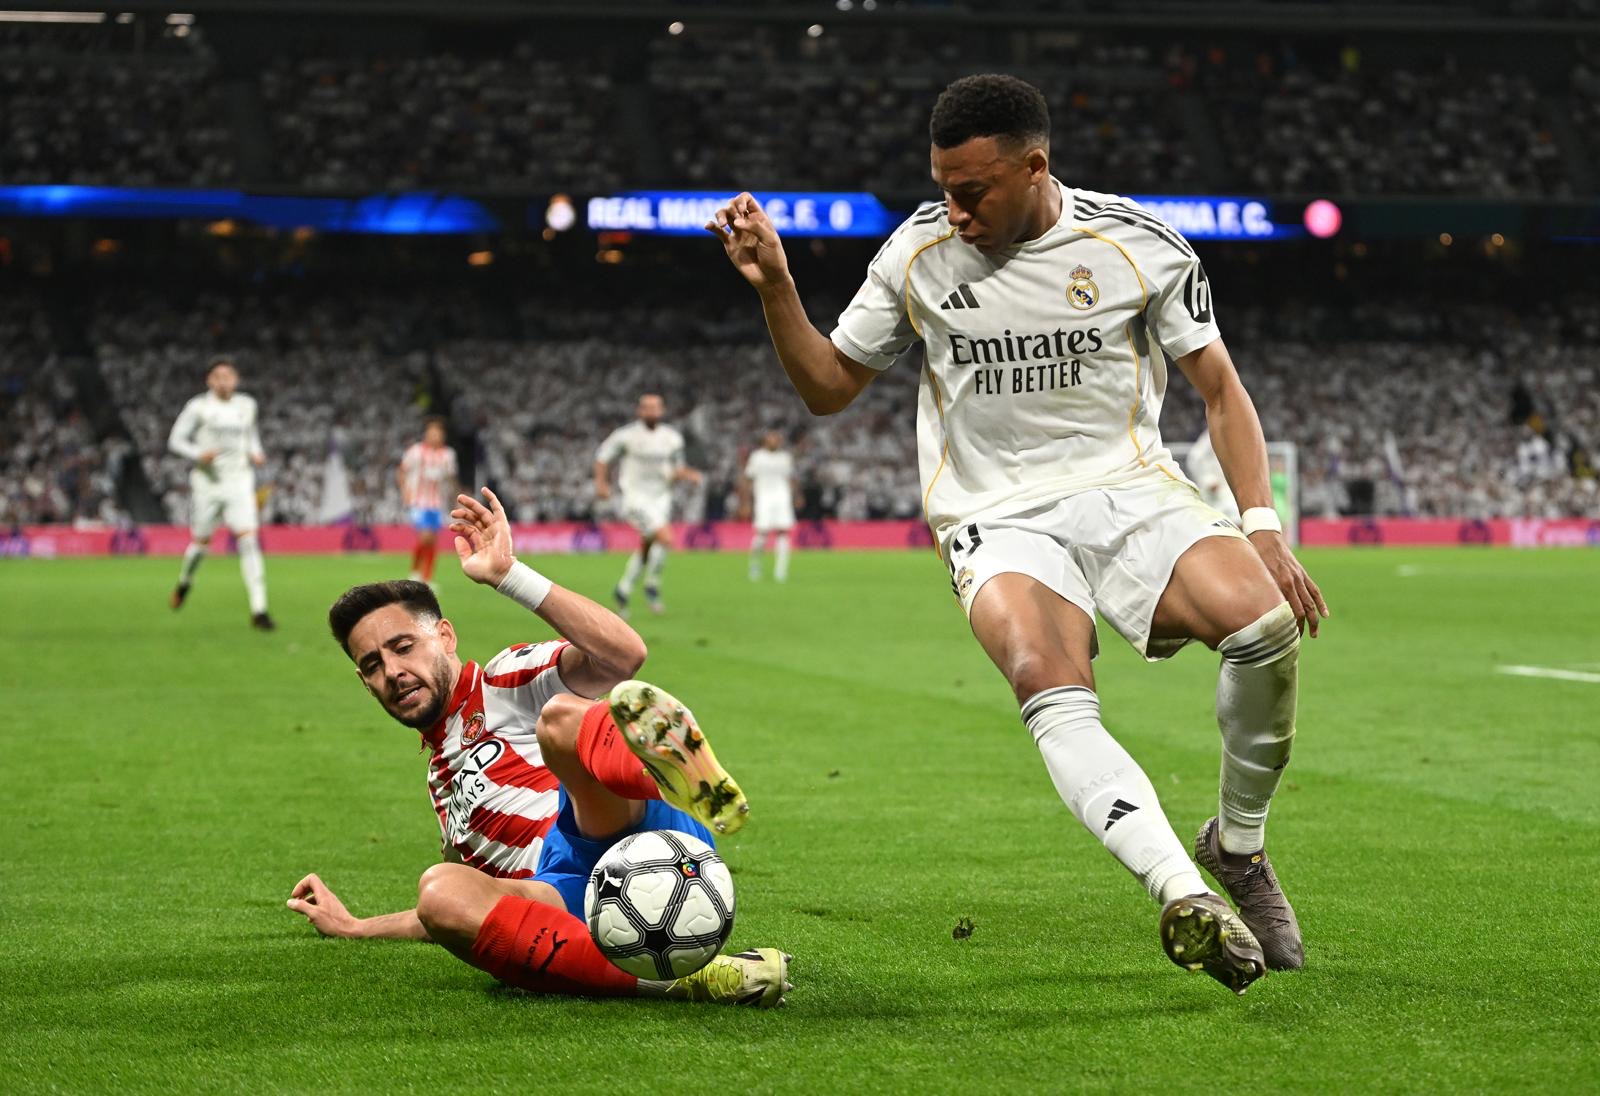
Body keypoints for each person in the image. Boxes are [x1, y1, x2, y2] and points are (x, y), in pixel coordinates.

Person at [708, 73, 1328, 995]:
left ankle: (1237, 846)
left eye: (972, 191)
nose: (953, 210)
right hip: (994, 514)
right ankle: (1180, 890)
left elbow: (1221, 390)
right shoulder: (915, 255)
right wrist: (777, 287)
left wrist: (1262, 524)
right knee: (1049, 679)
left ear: (1034, 165)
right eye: (942, 188)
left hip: (1129, 489)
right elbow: (828, 386)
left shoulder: (1135, 244)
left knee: (1266, 627)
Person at [289, 486, 786, 1006]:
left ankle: (668, 778)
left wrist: (510, 576)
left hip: (622, 832)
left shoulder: (503, 680)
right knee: (440, 890)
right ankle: (694, 980)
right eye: (372, 666)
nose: (392, 671)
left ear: (445, 636)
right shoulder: (441, 783)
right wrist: (357, 927)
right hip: (563, 898)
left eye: (403, 647)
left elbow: (623, 657)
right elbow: (464, 914)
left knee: (561, 720)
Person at [167, 355, 275, 630]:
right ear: (209, 380)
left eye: (228, 376)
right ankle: (185, 581)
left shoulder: (247, 405)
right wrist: (198, 454)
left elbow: (250, 435)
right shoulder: (198, 407)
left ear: (236, 380)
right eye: (218, 376)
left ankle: (259, 609)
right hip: (208, 484)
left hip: (239, 481)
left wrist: (256, 453)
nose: (224, 381)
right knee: (200, 546)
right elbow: (175, 440)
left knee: (249, 541)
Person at [593, 393, 702, 616]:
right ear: (639, 411)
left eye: (656, 408)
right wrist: (601, 484)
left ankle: (624, 589)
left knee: (651, 545)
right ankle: (652, 584)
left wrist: (688, 475)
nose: (652, 412)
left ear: (661, 411)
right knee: (666, 537)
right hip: (635, 498)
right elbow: (602, 457)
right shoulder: (626, 436)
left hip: (662, 497)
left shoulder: (672, 438)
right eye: (647, 408)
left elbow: (677, 469)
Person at [397, 417, 459, 585]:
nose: (434, 437)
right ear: (426, 434)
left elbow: (451, 478)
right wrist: (405, 492)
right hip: (418, 501)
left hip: (437, 503)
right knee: (425, 537)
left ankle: (427, 578)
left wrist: (456, 497)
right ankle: (415, 572)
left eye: (437, 434)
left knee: (432, 540)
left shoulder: (448, 454)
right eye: (431, 433)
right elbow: (402, 471)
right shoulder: (416, 451)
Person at [743, 429, 799, 582]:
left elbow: (790, 478)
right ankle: (755, 564)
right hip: (764, 498)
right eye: (771, 437)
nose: (774, 440)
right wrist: (746, 502)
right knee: (762, 534)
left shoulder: (785, 457)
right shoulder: (757, 457)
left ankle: (781, 571)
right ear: (765, 440)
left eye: (776, 437)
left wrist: (797, 496)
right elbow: (748, 479)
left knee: (783, 533)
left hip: (782, 498)